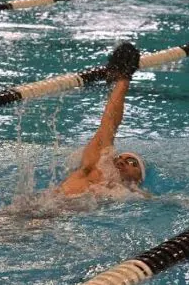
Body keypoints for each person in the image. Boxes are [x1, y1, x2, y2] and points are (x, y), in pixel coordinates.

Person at [56, 42, 150, 199]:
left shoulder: (132, 195)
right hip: (37, 211)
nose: (122, 162)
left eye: (133, 163)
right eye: (120, 158)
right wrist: (123, 80)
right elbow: (109, 122)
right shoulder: (101, 165)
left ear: (139, 178)